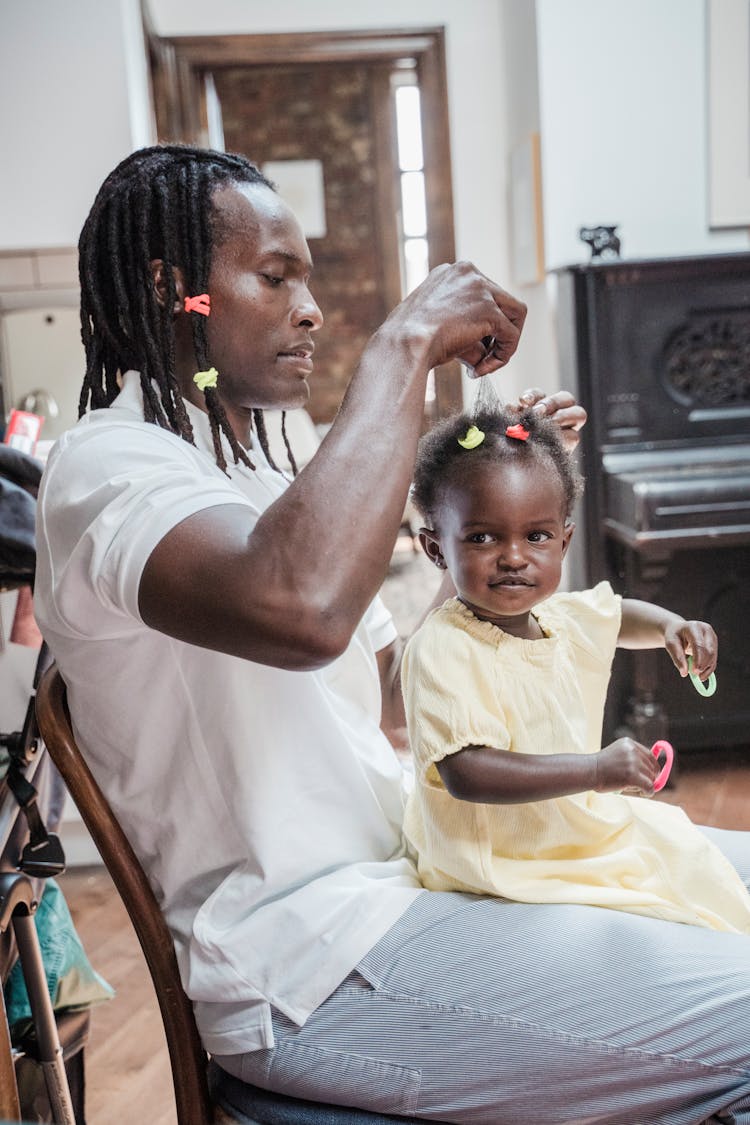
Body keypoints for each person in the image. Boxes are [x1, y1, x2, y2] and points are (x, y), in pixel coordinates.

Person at [32, 144, 750, 1124]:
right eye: (275, 276)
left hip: (412, 870)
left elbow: (392, 685)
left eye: (308, 283)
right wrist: (406, 343)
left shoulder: (258, 469)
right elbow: (303, 611)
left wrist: (497, 520)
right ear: (176, 291)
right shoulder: (108, 467)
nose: (311, 311)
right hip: (309, 963)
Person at [401, 403, 750, 933]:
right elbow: (467, 772)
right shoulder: (443, 648)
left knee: (692, 867)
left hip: (566, 829)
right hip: (504, 862)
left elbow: (616, 617)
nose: (514, 557)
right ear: (436, 549)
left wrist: (669, 626)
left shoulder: (556, 617)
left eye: (536, 537)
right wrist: (593, 770)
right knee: (665, 911)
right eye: (482, 538)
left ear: (563, 541)